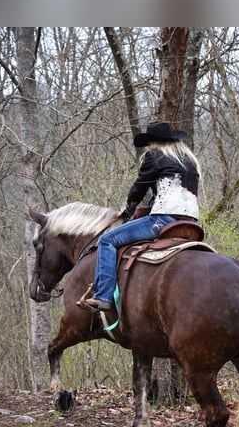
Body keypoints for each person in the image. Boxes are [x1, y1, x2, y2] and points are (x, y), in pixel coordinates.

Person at [80, 121, 201, 312]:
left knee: (107, 241)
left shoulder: (154, 156)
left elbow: (139, 188)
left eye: (151, 142)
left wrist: (127, 211)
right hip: (191, 223)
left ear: (154, 141)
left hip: (164, 220)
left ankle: (103, 296)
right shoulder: (189, 160)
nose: (150, 146)